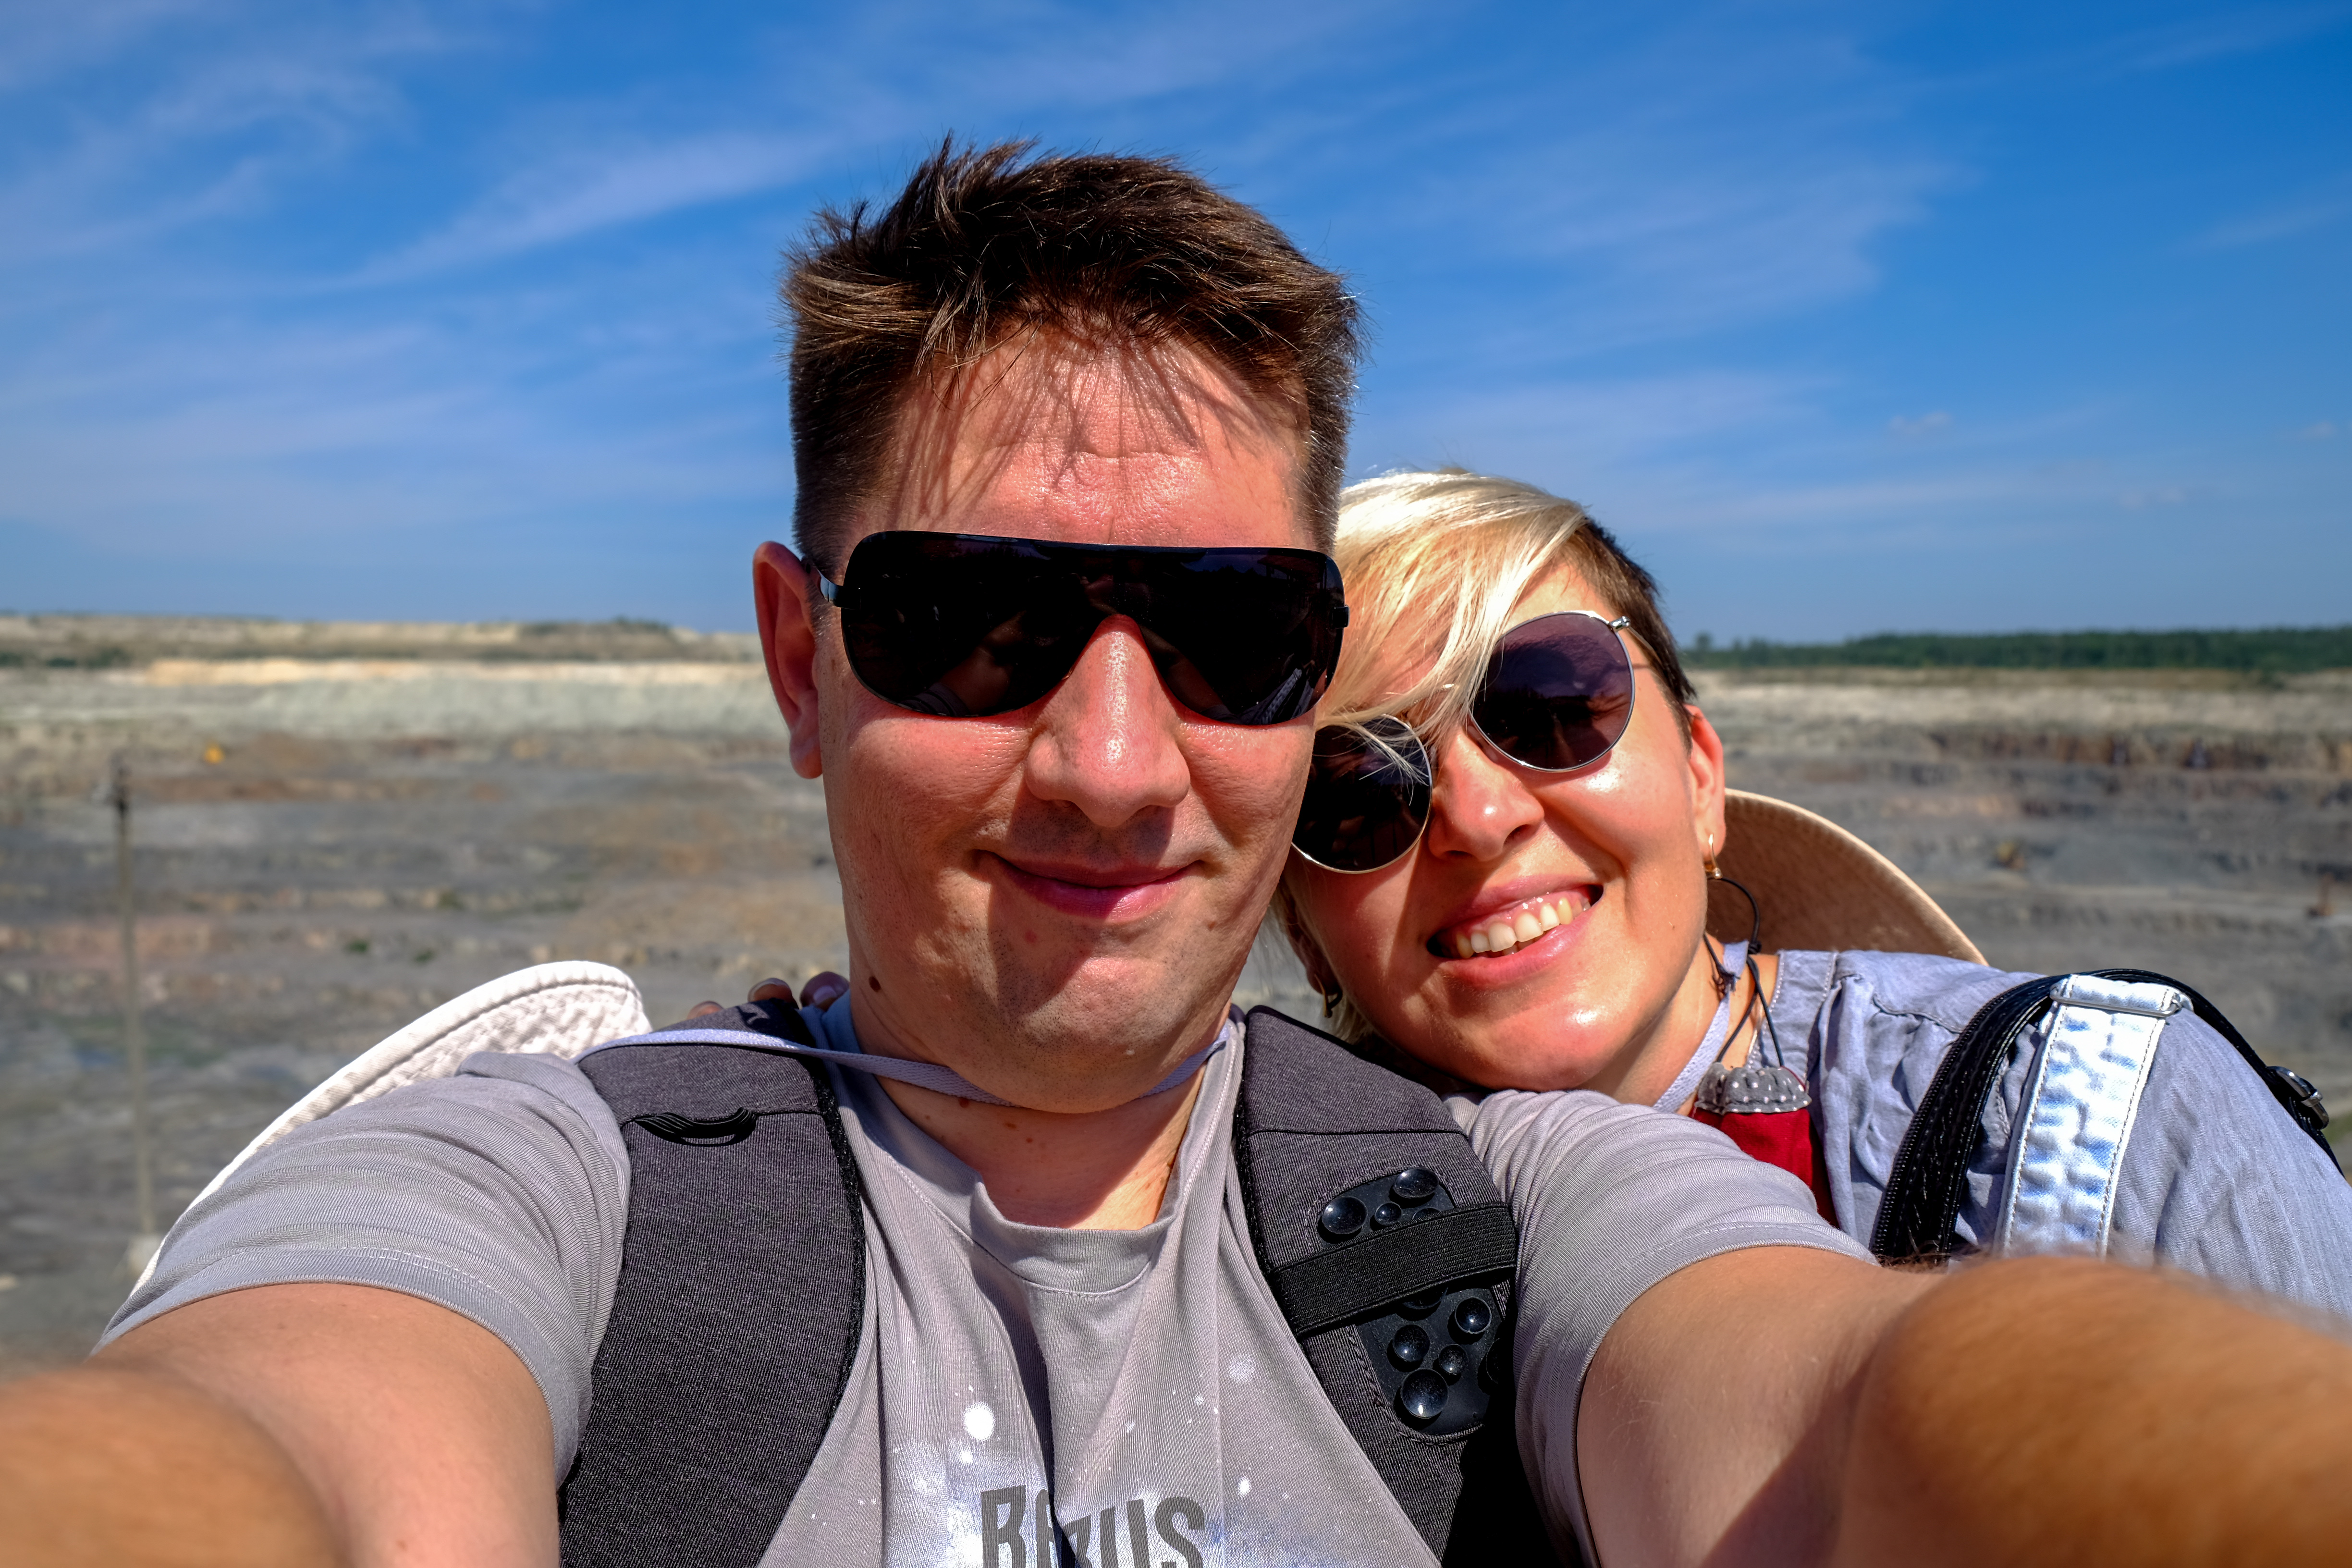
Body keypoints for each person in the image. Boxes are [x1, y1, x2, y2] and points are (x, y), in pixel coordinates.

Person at [4, 144, 2352, 1568]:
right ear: (800, 661)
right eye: (977, 624)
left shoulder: (1508, 1193)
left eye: (1234, 640)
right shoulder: (548, 1183)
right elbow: (268, 1445)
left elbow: (1848, 1425)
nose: (1117, 766)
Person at [1275, 467, 2352, 1319]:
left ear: (1701, 780)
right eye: (1356, 786)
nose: (1478, 817)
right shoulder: (1262, 1257)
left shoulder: (2128, 1127)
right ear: (1304, 932)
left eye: (1545, 706)